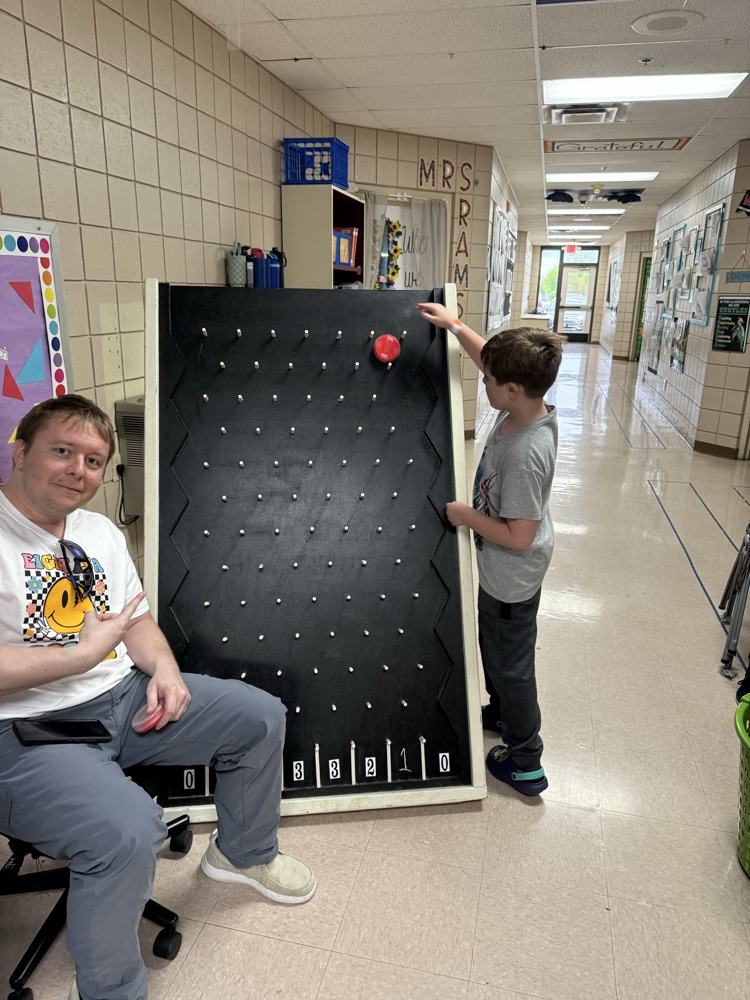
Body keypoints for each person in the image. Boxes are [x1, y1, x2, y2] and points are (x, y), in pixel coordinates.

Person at [0, 394, 316, 1000]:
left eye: (94, 461)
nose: (78, 470)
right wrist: (79, 658)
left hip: (122, 698)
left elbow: (136, 620)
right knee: (127, 829)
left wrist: (166, 669)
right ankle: (109, 990)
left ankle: (242, 854)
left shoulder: (98, 531)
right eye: (62, 451)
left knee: (259, 717)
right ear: (19, 453)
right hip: (24, 728)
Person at [416, 302, 564, 796]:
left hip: (511, 575)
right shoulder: (524, 405)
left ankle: (526, 760)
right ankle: (500, 714)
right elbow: (491, 360)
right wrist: (455, 325)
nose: (483, 381)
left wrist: (466, 516)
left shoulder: (525, 452)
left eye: (488, 380)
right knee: (496, 650)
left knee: (510, 666)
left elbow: (519, 536)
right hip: (506, 571)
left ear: (512, 389)